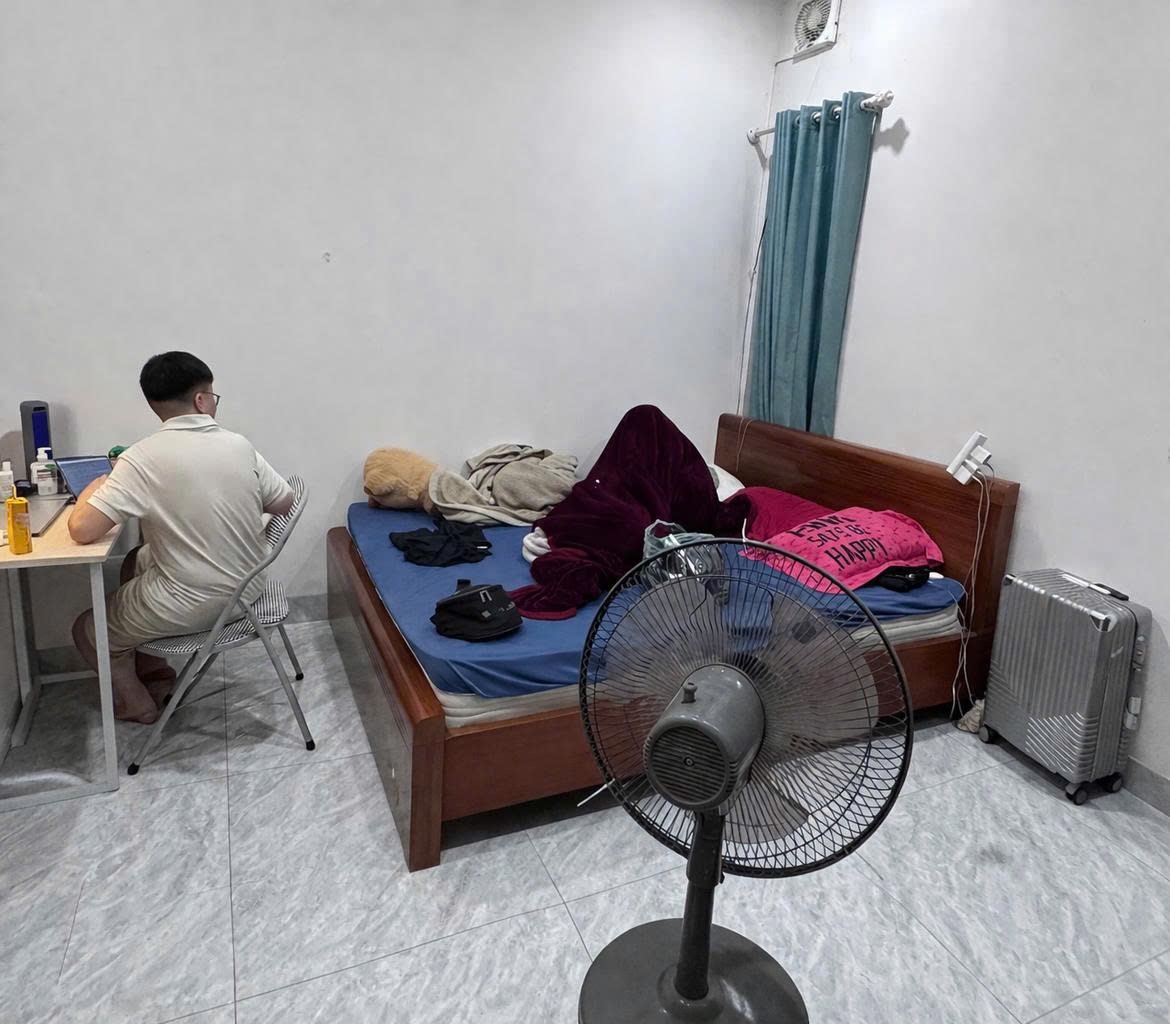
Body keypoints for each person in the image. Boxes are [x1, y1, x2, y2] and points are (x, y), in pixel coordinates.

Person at [69, 352, 295, 723]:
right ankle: (155, 672)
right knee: (133, 560)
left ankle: (136, 703)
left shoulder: (140, 459)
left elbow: (81, 530)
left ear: (153, 404)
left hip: (197, 603)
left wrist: (95, 488)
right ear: (202, 400)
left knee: (86, 629)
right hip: (249, 589)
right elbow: (284, 501)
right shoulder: (238, 444)